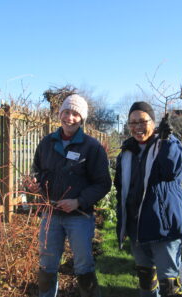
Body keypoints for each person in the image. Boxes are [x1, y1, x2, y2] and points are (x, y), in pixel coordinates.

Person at [26, 94, 112, 297]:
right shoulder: (47, 143)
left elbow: (103, 184)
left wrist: (78, 201)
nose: (70, 118)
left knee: (83, 265)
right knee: (47, 264)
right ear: (60, 114)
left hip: (79, 218)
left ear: (82, 119)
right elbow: (37, 171)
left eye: (75, 114)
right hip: (51, 214)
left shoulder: (92, 147)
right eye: (66, 112)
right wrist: (34, 185)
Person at [114, 101, 182, 297]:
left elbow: (171, 171)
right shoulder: (126, 152)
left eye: (142, 121)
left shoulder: (169, 144)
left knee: (170, 286)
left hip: (162, 228)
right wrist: (122, 224)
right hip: (137, 228)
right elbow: (121, 189)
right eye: (132, 123)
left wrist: (165, 141)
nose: (137, 127)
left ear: (153, 123)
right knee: (146, 282)